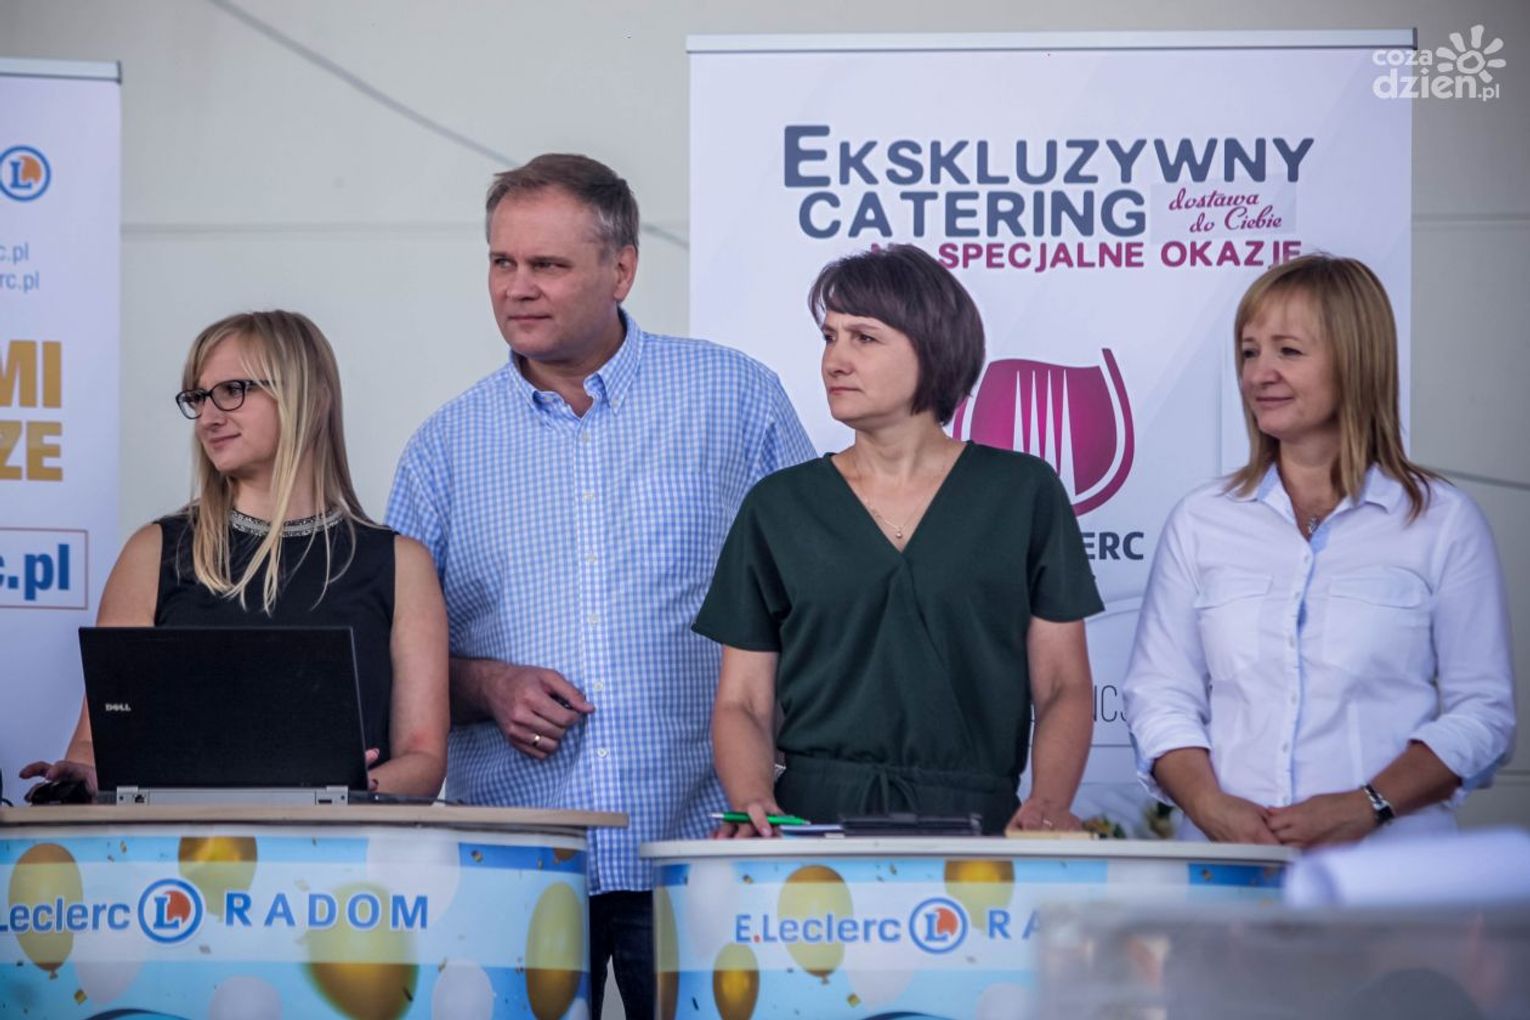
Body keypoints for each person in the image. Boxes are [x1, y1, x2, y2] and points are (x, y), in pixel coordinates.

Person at [385, 153, 814, 1016]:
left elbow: (815, 599)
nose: (517, 288)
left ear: (622, 270)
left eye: (547, 264)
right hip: (518, 860)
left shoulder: (734, 398)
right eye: (502, 262)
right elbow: (394, 660)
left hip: (698, 844)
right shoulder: (443, 450)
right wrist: (485, 683)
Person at [696, 244, 1102, 838]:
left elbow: (1063, 684)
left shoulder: (1023, 493)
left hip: (980, 828)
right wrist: (754, 800)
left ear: (934, 348)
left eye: (863, 338)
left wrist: (1047, 802)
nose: (835, 360)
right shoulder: (778, 506)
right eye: (829, 337)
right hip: (809, 829)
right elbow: (744, 702)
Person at [1123, 254, 1516, 846]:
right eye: (1249, 352)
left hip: (1389, 875)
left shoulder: (1442, 522)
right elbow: (1159, 696)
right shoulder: (1202, 521)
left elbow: (1484, 714)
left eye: (1288, 351)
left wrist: (1368, 805)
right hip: (1230, 873)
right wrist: (1209, 807)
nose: (1259, 374)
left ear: (1356, 361)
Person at [21, 311, 449, 800]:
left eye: (232, 391)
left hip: (337, 849)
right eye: (199, 397)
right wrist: (83, 774)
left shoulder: (400, 564)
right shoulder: (153, 552)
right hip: (175, 847)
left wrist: (344, 793)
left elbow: (423, 758)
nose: (209, 417)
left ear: (310, 398)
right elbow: (94, 742)